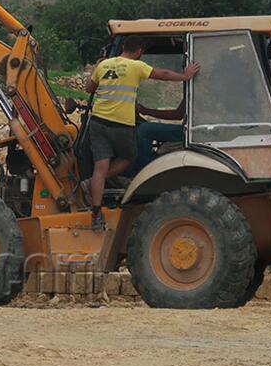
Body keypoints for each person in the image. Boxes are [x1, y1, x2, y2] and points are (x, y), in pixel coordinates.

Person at [79, 36, 200, 230]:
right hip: (121, 124)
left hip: (98, 122)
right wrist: (185, 76)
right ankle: (137, 177)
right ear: (139, 52)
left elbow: (89, 88)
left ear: (123, 47)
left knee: (100, 167)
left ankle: (96, 213)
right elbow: (164, 74)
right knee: (129, 157)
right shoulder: (136, 66)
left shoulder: (105, 65)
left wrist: (97, 68)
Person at [134, 99, 186, 174]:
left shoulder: (197, 89)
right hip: (191, 130)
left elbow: (178, 114)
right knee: (143, 125)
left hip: (191, 132)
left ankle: (141, 171)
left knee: (144, 129)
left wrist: (145, 110)